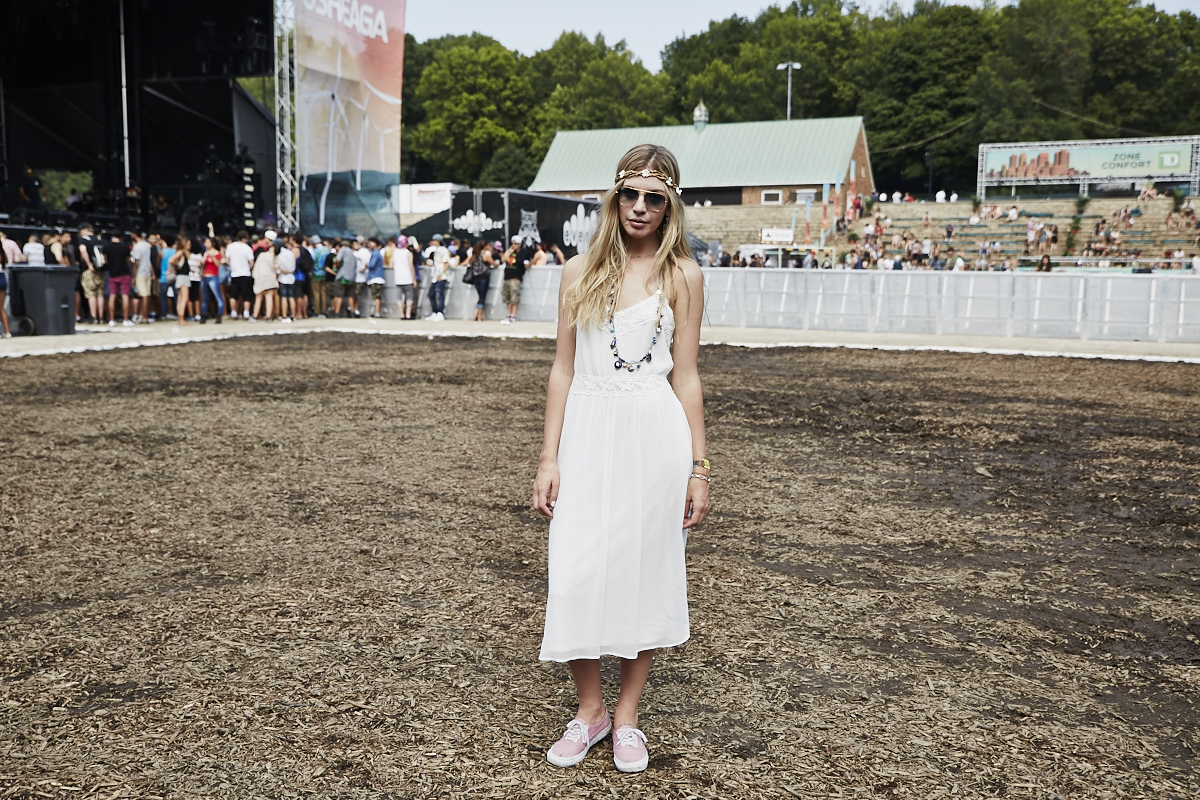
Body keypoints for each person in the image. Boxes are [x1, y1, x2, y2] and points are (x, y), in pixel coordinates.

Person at [532, 144, 708, 775]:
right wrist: (548, 457)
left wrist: (698, 468)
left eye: (654, 198)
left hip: (654, 435)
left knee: (643, 572)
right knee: (576, 570)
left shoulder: (683, 276)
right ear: (613, 198)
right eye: (630, 195)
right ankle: (590, 711)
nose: (640, 208)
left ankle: (627, 716)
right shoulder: (579, 270)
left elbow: (686, 377)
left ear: (670, 206)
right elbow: (561, 367)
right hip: (587, 428)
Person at [102, 233, 134, 327]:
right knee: (125, 296)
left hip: (112, 273)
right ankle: (126, 319)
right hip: (124, 273)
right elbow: (128, 262)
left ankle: (111, 319)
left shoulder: (107, 247)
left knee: (112, 296)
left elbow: (105, 260)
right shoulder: (125, 247)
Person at [226, 230, 256, 320]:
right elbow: (251, 262)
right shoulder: (247, 248)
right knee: (247, 295)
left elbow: (227, 260)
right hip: (245, 273)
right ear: (244, 238)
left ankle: (234, 312)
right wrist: (249, 269)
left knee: (233, 295)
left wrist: (232, 267)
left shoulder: (230, 247)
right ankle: (246, 313)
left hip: (234, 274)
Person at [466, 238, 495, 321]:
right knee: (482, 297)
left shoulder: (475, 255)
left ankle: (476, 314)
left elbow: (469, 262)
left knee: (480, 296)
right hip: (483, 277)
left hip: (475, 277)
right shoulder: (485, 255)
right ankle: (479, 316)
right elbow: (494, 263)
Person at [425, 234, 451, 321]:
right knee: (431, 294)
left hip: (441, 275)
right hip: (435, 276)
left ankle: (440, 312)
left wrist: (442, 273)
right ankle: (434, 312)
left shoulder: (443, 250)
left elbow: (446, 263)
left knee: (439, 294)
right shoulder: (436, 250)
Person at [130, 231, 153, 324]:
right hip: (147, 272)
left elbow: (136, 263)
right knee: (146, 295)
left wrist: (133, 277)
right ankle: (144, 316)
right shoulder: (147, 245)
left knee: (143, 296)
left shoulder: (137, 246)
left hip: (140, 273)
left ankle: (143, 317)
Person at [199, 237, 224, 323]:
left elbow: (218, 265)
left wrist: (213, 257)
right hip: (205, 276)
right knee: (205, 298)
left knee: (218, 297)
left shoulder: (217, 253)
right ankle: (203, 315)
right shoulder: (205, 253)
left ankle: (219, 315)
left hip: (213, 276)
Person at [168, 238, 193, 325]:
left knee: (180, 298)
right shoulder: (181, 252)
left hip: (181, 276)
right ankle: (182, 318)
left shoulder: (183, 252)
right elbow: (171, 260)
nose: (190, 245)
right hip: (183, 276)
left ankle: (180, 318)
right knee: (184, 298)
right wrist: (178, 265)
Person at [251, 242, 278, 320]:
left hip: (260, 277)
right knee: (269, 297)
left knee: (258, 297)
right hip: (270, 278)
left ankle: (255, 316)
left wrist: (255, 276)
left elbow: (256, 266)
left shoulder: (262, 255)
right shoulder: (275, 257)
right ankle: (268, 316)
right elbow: (276, 267)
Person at [331, 239, 357, 318]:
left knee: (339, 295)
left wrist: (336, 266)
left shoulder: (343, 250)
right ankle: (352, 313)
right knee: (350, 296)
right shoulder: (352, 252)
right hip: (352, 277)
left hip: (343, 276)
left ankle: (337, 313)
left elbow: (338, 260)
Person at [394, 235, 416, 319]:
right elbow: (411, 266)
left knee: (399, 298)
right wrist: (414, 279)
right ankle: (408, 314)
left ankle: (401, 314)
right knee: (409, 297)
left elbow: (391, 265)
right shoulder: (408, 253)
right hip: (407, 278)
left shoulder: (395, 252)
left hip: (398, 278)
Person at [276, 236, 297, 322]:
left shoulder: (279, 254)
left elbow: (278, 268)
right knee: (291, 297)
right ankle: (293, 315)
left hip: (282, 277)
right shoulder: (290, 252)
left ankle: (284, 316)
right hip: (291, 277)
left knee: (284, 297)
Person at [365, 237, 386, 317]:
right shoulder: (376, 253)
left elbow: (372, 265)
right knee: (376, 296)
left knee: (376, 296)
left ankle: (377, 313)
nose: (369, 245)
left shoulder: (375, 253)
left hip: (376, 277)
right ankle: (376, 312)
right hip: (376, 277)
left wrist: (367, 265)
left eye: (370, 243)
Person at [310, 236, 330, 317]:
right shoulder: (326, 250)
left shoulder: (315, 251)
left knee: (316, 293)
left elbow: (312, 262)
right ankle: (324, 310)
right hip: (325, 274)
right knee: (324, 293)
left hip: (316, 274)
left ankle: (317, 311)